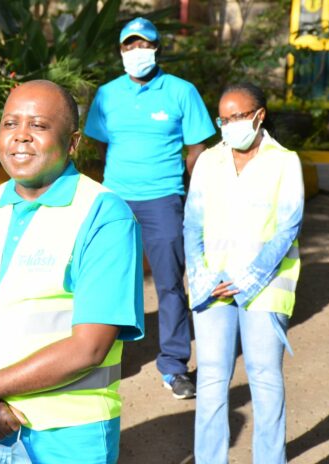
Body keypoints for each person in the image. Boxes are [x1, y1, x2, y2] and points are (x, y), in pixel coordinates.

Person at [0, 80, 145, 464]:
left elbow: (90, 346)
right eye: (10, 124)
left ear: (72, 143)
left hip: (67, 438)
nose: (21, 136)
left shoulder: (103, 214)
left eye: (38, 126)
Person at [84, 17, 216, 399]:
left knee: (171, 284)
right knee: (106, 282)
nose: (136, 52)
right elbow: (100, 147)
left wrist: (195, 198)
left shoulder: (181, 92)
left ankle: (174, 366)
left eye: (143, 45)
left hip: (164, 200)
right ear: (121, 51)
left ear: (157, 48)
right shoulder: (107, 94)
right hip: (115, 200)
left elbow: (197, 150)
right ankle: (97, 359)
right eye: (129, 46)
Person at [184, 82, 303, 463]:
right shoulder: (208, 161)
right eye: (224, 118)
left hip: (264, 289)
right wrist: (202, 277)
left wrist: (249, 278)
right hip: (212, 287)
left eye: (237, 116)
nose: (230, 125)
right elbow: (192, 225)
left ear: (259, 115)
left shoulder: (284, 161)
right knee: (212, 380)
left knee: (265, 379)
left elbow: (288, 227)